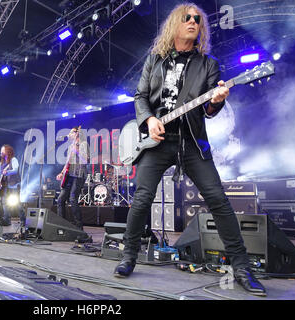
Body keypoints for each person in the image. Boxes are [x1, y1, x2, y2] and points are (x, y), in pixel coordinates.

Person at [113, 3, 266, 296]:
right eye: (188, 18)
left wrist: (218, 99)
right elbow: (140, 96)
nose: (194, 21)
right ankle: (128, 256)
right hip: (157, 141)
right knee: (142, 198)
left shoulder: (208, 64)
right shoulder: (155, 60)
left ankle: (242, 268)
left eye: (198, 19)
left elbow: (208, 111)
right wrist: (149, 119)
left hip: (192, 141)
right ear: (175, 23)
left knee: (219, 200)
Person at [56, 126, 89, 231]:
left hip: (79, 175)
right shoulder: (70, 146)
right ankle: (61, 225)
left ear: (77, 133)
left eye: (71, 132)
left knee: (73, 199)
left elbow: (86, 160)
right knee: (61, 199)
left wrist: (77, 150)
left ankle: (79, 227)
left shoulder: (84, 144)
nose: (69, 134)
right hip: (69, 175)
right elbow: (67, 162)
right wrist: (61, 172)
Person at [0, 144, 25, 227]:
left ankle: (23, 220)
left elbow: (15, 170)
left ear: (7, 151)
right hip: (5, 185)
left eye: (2, 150)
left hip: (14, 185)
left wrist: (7, 172)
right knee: (4, 202)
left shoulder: (13, 160)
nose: (1, 152)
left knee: (17, 203)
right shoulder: (1, 163)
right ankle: (7, 220)